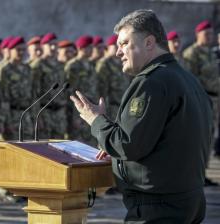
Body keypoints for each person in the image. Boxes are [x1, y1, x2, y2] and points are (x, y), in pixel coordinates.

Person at [70, 9, 212, 223]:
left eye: (125, 43)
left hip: (159, 207)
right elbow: (163, 141)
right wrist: (118, 158)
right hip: (187, 200)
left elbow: (128, 145)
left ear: (149, 42)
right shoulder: (186, 78)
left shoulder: (151, 83)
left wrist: (95, 120)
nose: (118, 52)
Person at [183, 20, 220, 186]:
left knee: (209, 138)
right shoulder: (192, 54)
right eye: (207, 33)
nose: (210, 36)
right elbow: (189, 79)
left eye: (211, 34)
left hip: (215, 100)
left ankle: (202, 172)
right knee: (198, 137)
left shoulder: (211, 53)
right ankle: (192, 173)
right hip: (202, 100)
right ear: (198, 34)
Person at [30, 33, 67, 140]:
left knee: (60, 146)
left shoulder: (60, 65)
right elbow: (34, 94)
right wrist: (37, 116)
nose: (53, 47)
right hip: (44, 111)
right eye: (50, 45)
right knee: (44, 146)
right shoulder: (38, 65)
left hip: (59, 112)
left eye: (55, 45)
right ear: (42, 46)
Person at [65, 35, 97, 146]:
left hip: (91, 109)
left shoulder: (91, 64)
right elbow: (71, 93)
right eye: (88, 47)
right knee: (78, 143)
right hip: (79, 111)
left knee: (92, 143)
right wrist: (75, 116)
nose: (92, 50)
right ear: (80, 48)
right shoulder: (73, 66)